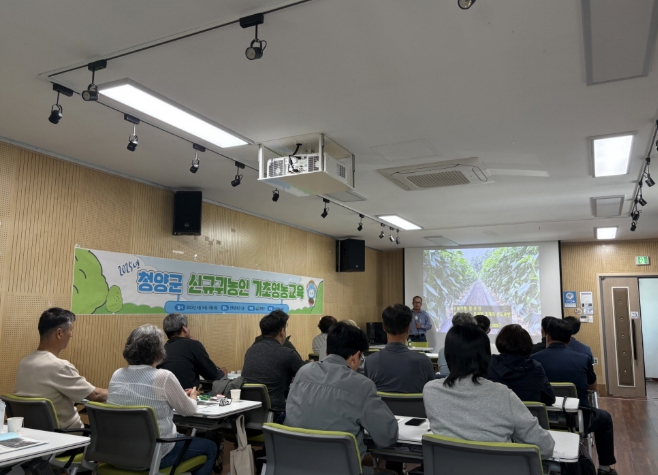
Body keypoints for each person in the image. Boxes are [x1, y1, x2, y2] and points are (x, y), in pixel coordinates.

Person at [423, 323, 554, 459]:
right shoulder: (503, 394)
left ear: (447, 355)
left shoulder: (430, 390)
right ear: (486, 356)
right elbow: (545, 447)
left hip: (448, 466)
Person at [285, 321, 398, 470]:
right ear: (355, 356)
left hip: (295, 465)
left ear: (327, 352)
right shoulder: (362, 385)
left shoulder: (303, 372)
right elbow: (387, 436)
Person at [108, 324, 217, 475]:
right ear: (159, 350)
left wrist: (178, 394)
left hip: (117, 454)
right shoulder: (163, 376)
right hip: (154, 455)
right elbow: (188, 410)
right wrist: (192, 397)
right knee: (210, 447)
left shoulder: (117, 374)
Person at [532, 319, 617, 474]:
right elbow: (592, 387)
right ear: (569, 339)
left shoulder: (534, 359)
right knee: (605, 418)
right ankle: (605, 468)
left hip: (543, 419)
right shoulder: (582, 358)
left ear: (547, 336)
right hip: (579, 421)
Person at [14, 307, 107, 429]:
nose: (71, 335)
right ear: (59, 333)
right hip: (68, 435)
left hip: (35, 432)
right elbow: (95, 395)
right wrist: (119, 392)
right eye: (71, 329)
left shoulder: (24, 363)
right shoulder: (59, 366)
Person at [242, 310, 304, 419]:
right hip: (276, 414)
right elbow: (307, 379)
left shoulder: (251, 350)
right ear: (282, 331)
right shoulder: (288, 354)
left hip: (247, 414)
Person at [364, 304, 435, 392]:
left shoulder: (371, 361)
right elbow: (432, 392)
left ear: (384, 327)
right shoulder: (424, 361)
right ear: (408, 328)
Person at [487, 324, 555, 405]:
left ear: (500, 341)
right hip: (529, 413)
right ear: (527, 343)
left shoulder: (489, 364)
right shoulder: (535, 367)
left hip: (496, 412)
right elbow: (550, 398)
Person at [157, 313, 228, 390]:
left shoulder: (160, 349)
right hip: (187, 395)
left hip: (163, 395)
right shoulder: (193, 345)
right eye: (188, 326)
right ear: (184, 329)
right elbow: (213, 375)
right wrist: (223, 371)